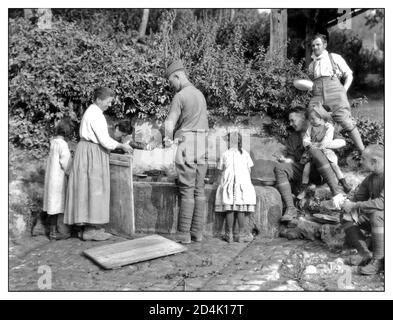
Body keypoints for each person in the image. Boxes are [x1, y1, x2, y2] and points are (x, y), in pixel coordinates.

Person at [64, 87, 133, 241]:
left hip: (88, 150)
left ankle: (87, 227)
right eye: (108, 102)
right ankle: (90, 229)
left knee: (87, 187)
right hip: (92, 152)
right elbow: (104, 140)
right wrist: (122, 146)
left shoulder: (93, 112)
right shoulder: (95, 114)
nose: (109, 105)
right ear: (99, 99)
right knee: (95, 187)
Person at [163, 59, 209, 244]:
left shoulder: (180, 96)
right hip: (203, 144)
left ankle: (183, 234)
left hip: (187, 143)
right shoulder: (200, 94)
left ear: (177, 75)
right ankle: (197, 233)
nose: (172, 85)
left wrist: (167, 138)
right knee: (199, 190)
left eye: (171, 81)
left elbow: (169, 123)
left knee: (187, 191)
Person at [274, 107, 346, 222]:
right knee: (280, 168)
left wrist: (322, 145)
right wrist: (284, 160)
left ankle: (336, 192)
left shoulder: (323, 127)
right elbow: (293, 160)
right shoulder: (293, 137)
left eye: (293, 120)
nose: (290, 124)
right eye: (290, 121)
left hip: (322, 171)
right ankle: (291, 208)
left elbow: (342, 142)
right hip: (304, 171)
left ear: (303, 117)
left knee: (313, 150)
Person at [308, 33, 364, 152]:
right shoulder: (311, 65)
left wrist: (344, 90)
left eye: (318, 44)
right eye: (313, 45)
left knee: (345, 121)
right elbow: (311, 84)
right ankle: (318, 153)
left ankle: (363, 152)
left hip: (335, 91)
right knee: (313, 117)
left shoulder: (334, 57)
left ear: (325, 45)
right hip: (317, 94)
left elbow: (349, 74)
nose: (315, 47)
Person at [341, 144, 384, 275]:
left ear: (374, 161)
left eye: (363, 159)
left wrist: (354, 205)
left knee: (376, 214)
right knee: (347, 215)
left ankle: (378, 260)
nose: (361, 161)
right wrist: (345, 202)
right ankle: (365, 253)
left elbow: (383, 202)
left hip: (381, 218)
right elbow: (358, 197)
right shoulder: (370, 178)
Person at [298, 103, 352, 199]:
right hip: (312, 151)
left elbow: (328, 139)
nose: (311, 121)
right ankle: (303, 188)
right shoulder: (310, 128)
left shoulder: (328, 127)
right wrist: (308, 143)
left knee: (334, 165)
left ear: (321, 118)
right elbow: (306, 138)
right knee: (306, 168)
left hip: (325, 150)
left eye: (313, 119)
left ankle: (343, 183)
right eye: (310, 119)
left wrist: (320, 144)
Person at [215, 131, 256, 243]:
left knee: (230, 209)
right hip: (242, 184)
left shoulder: (225, 154)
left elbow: (220, 170)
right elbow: (249, 169)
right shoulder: (245, 154)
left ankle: (229, 235)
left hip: (229, 184)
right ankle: (241, 235)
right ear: (239, 141)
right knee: (240, 209)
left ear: (229, 141)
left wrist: (218, 183)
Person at [43, 118, 73, 240]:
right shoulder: (63, 145)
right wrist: (71, 173)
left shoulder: (53, 142)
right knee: (58, 206)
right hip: (58, 180)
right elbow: (66, 163)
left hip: (51, 178)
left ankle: (51, 231)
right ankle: (56, 232)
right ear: (67, 132)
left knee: (52, 206)